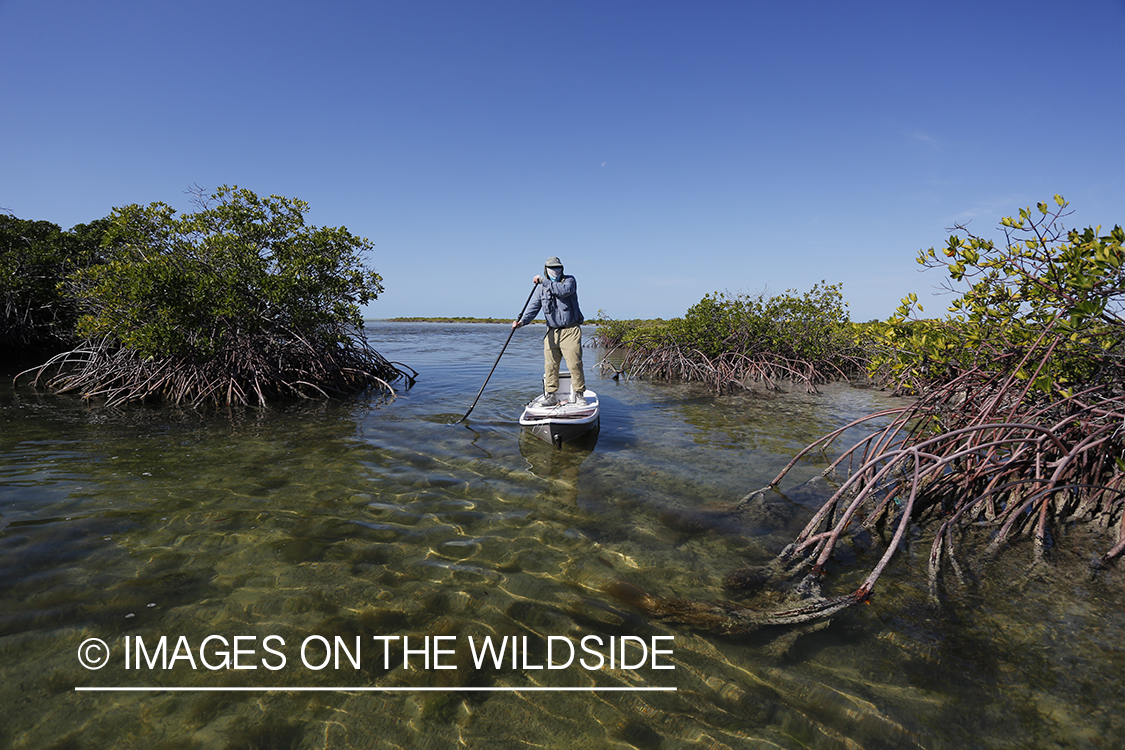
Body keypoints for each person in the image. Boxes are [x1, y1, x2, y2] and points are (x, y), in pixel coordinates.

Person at [512, 256, 586, 406]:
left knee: (574, 363)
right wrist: (522, 322)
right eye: (552, 268)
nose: (555, 270)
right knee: (550, 365)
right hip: (552, 331)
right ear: (546, 270)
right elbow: (533, 307)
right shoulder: (541, 288)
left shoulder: (569, 281)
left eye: (558, 267)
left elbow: (564, 291)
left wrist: (543, 281)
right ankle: (551, 395)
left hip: (570, 330)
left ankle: (579, 394)